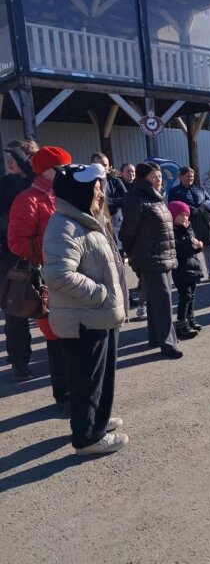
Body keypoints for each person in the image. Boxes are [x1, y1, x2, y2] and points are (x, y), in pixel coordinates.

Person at [43, 163, 128, 454]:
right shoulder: (65, 225)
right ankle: (87, 438)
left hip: (97, 315)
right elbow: (58, 275)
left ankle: (96, 422)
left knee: (101, 376)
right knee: (87, 380)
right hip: (85, 318)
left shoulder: (83, 219)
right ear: (78, 191)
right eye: (94, 189)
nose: (100, 194)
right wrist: (100, 294)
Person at [7, 146, 72, 411]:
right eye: (61, 167)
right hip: (46, 279)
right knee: (57, 338)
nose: (66, 171)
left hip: (69, 275)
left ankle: (76, 394)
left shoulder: (64, 195)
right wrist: (55, 243)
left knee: (73, 337)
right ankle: (64, 396)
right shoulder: (28, 199)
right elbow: (17, 243)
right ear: (44, 169)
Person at [120, 162, 182, 359]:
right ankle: (168, 344)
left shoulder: (156, 198)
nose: (159, 180)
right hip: (149, 256)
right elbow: (127, 232)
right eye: (155, 176)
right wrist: (131, 253)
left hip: (164, 255)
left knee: (160, 300)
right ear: (142, 178)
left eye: (160, 176)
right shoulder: (135, 199)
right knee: (163, 301)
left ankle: (156, 338)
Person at [1, 140, 36, 380]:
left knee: (49, 307)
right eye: (8, 156)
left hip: (40, 254)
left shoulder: (38, 183)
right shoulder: (4, 184)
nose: (9, 160)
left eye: (15, 156)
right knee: (15, 312)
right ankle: (19, 361)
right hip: (10, 257)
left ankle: (61, 355)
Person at [167, 167, 210, 283]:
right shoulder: (174, 191)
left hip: (203, 221)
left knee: (208, 246)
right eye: (187, 176)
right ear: (180, 177)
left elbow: (209, 200)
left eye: (192, 176)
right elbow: (172, 206)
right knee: (190, 247)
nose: (190, 178)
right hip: (186, 223)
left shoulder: (200, 189)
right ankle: (194, 273)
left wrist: (208, 207)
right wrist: (191, 209)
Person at [167, 200, 202, 339]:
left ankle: (190, 319)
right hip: (181, 268)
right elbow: (178, 249)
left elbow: (194, 246)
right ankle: (181, 323)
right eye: (181, 215)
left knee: (191, 296)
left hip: (192, 265)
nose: (185, 218)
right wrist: (191, 246)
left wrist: (198, 245)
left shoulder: (188, 228)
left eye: (186, 215)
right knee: (185, 296)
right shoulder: (172, 232)